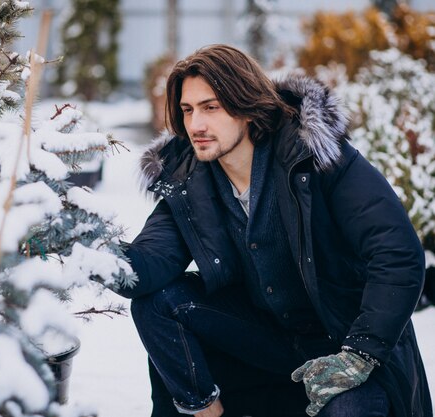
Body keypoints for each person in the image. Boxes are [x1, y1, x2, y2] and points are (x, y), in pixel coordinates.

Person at [116, 44, 432, 417]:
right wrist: (86, 243)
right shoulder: (190, 182)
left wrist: (360, 354)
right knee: (159, 302)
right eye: (188, 110)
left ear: (245, 106)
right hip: (267, 346)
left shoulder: (314, 156)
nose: (196, 125)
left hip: (345, 347)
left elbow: (397, 253)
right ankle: (206, 411)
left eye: (211, 107)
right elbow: (148, 267)